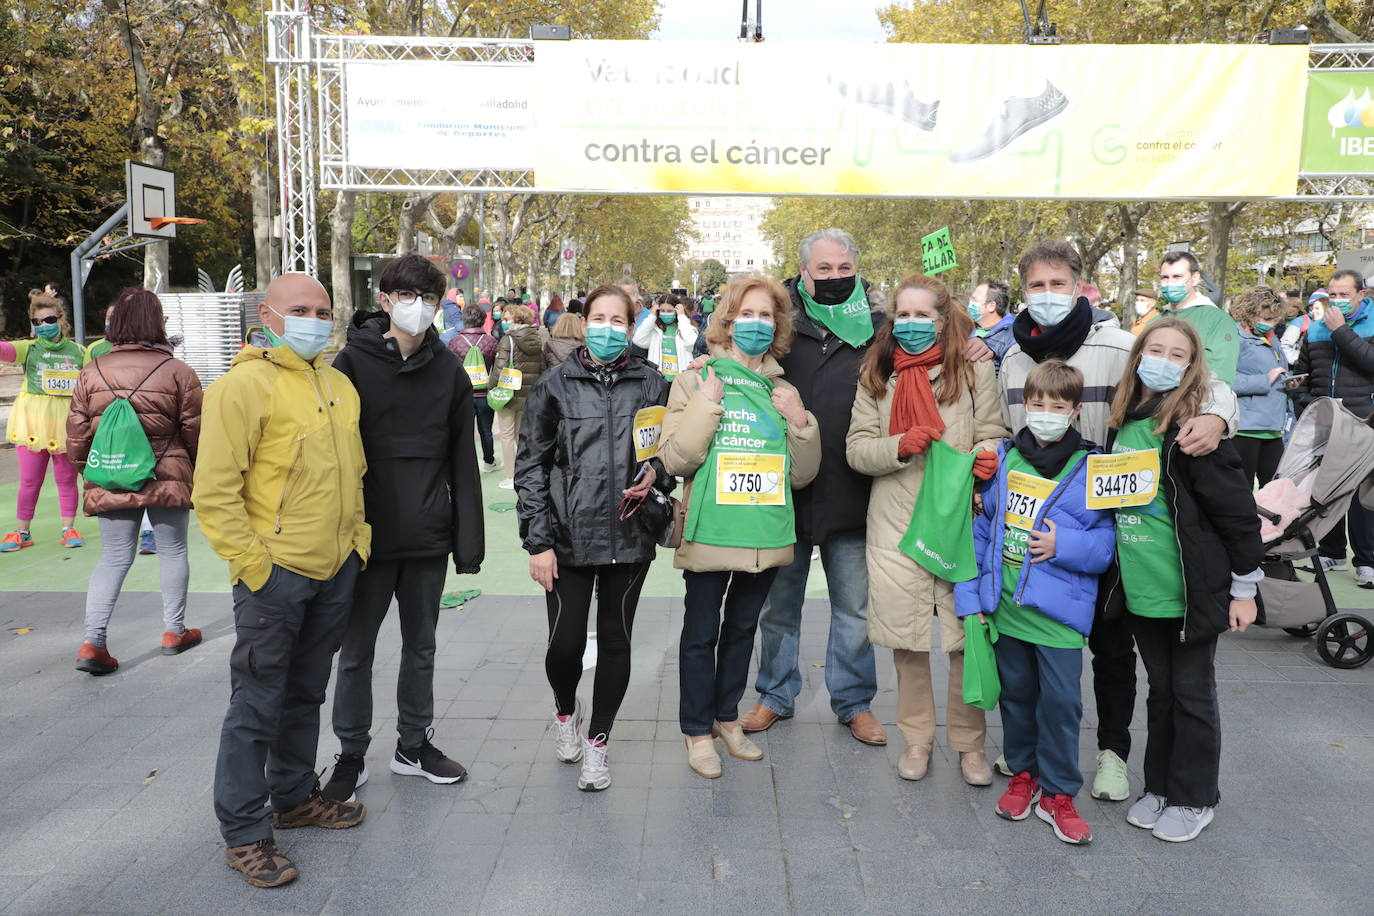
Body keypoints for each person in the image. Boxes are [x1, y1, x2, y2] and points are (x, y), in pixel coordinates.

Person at [999, 240, 1237, 804]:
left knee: (1111, 646)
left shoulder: (1119, 343)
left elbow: (1202, 382)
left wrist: (1219, 417)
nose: (1048, 296)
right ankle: (1027, 751)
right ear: (1023, 291)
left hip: (1115, 523)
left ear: (1080, 286)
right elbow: (1003, 431)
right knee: (1029, 641)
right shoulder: (1008, 357)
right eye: (1037, 286)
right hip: (1035, 524)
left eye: (1059, 284)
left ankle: (1112, 751)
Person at [193, 273, 370, 888]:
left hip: (334, 568)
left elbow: (354, 475)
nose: (314, 319)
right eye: (300, 309)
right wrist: (256, 568)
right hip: (276, 577)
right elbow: (214, 493)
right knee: (256, 704)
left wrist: (357, 545)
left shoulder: (339, 384)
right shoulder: (241, 387)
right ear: (267, 316)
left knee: (305, 694)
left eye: (323, 310)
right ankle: (244, 832)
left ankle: (294, 798)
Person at [322, 254, 484, 803]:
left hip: (427, 535)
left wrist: (469, 543)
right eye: (408, 296)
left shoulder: (449, 370)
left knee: (422, 646)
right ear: (385, 301)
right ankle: (350, 754)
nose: (419, 308)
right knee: (356, 651)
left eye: (429, 298)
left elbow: (463, 460)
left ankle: (413, 744)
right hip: (364, 538)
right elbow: (332, 457)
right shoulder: (348, 365)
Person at [1103, 318, 1263, 843]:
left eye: (1178, 354)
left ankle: (1195, 797)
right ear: (1137, 356)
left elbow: (1236, 511)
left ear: (1192, 366)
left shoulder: (1195, 430)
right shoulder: (1122, 420)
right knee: (1162, 691)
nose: (1165, 361)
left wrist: (1244, 588)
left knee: (1193, 693)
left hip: (1190, 590)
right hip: (1141, 588)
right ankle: (1161, 786)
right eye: (1155, 350)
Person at [658, 276, 821, 779]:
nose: (756, 324)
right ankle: (696, 731)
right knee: (700, 633)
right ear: (727, 322)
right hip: (712, 530)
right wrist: (707, 401)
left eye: (766, 316)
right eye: (745, 314)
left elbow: (801, 473)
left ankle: (728, 719)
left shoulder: (783, 389)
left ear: (777, 327)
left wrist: (800, 421)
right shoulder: (696, 378)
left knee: (742, 632)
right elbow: (675, 457)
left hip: (764, 533)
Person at [847, 274, 1006, 783]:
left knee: (965, 637)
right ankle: (916, 740)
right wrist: (899, 445)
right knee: (908, 642)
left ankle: (970, 744)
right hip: (896, 524)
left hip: (961, 519)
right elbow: (857, 449)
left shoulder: (974, 369)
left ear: (943, 319)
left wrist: (987, 458)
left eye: (924, 315)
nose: (912, 324)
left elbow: (993, 433)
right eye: (904, 315)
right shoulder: (876, 375)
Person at [515, 284, 672, 792]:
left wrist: (659, 476)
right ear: (585, 323)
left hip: (630, 535)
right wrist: (537, 542)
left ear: (632, 326)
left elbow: (668, 456)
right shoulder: (555, 385)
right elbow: (531, 467)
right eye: (599, 318)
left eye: (618, 320)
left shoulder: (652, 384)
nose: (608, 328)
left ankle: (598, 745)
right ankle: (567, 713)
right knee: (563, 646)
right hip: (566, 537)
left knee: (616, 641)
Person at [739, 228, 888, 747]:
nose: (834, 277)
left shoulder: (880, 328)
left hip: (855, 493)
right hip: (786, 494)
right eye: (823, 270)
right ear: (803, 271)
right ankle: (775, 694)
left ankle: (854, 702)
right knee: (778, 609)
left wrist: (976, 347)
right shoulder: (778, 323)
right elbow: (733, 356)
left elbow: (931, 353)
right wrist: (703, 360)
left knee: (855, 610)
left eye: (843, 268)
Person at [956, 360, 1115, 844]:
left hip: (1059, 616)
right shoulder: (1004, 458)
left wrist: (1062, 545)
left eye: (1058, 406)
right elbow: (981, 532)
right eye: (1037, 403)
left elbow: (1107, 544)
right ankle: (1023, 774)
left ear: (1074, 411)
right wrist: (972, 600)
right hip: (1005, 608)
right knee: (1018, 697)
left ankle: (1060, 792)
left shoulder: (1092, 465)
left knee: (1063, 704)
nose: (1045, 412)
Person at [64, 288, 203, 674]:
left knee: (112, 558)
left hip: (111, 473)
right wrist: (193, 468)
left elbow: (77, 434)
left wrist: (90, 472)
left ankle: (93, 643)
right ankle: (174, 631)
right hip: (167, 473)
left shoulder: (91, 371)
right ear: (158, 323)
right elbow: (194, 431)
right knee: (173, 552)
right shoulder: (178, 371)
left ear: (116, 324)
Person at [1290, 270, 1374, 586]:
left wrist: (1341, 331)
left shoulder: (1365, 323)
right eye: (1332, 295)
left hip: (1363, 420)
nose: (1337, 301)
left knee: (1361, 494)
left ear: (1361, 295)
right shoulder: (1315, 329)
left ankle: (1367, 561)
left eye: (1344, 295)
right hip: (1326, 419)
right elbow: (1303, 371)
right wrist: (1303, 399)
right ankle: (1332, 550)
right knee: (1325, 488)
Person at [0, 294, 86, 552]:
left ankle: (68, 528)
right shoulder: (30, 348)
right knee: (29, 480)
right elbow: (4, 350)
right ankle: (23, 531)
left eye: (49, 319)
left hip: (65, 426)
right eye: (37, 321)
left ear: (62, 320)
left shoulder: (79, 352)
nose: (43, 325)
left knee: (66, 480)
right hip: (32, 425)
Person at [1230, 286, 1290, 488]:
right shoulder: (1235, 339)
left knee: (1274, 491)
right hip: (1246, 428)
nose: (1270, 323)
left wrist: (1289, 382)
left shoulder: (1272, 338)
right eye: (1265, 318)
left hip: (1273, 428)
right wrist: (1265, 380)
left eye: (1274, 319)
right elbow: (1226, 380)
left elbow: (1276, 372)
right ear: (1250, 313)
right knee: (1241, 490)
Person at [1155, 251, 1238, 386]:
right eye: (1165, 277)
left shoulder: (1218, 320)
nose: (1170, 283)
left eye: (1177, 277)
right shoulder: (1155, 321)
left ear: (1195, 278)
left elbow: (1221, 379)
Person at [492, 303, 545, 490]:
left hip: (508, 393)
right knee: (521, 434)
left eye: (507, 319)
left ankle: (511, 475)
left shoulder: (508, 339)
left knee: (506, 435)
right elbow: (542, 367)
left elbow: (499, 368)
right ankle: (525, 471)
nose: (503, 323)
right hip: (528, 394)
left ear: (518, 320)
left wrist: (493, 389)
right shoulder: (536, 338)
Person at [447, 305, 500, 473]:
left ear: (464, 319)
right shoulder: (491, 341)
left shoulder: (455, 342)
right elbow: (496, 368)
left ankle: (466, 464)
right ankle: (489, 462)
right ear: (483, 319)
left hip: (463, 395)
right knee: (486, 430)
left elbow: (450, 369)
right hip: (485, 393)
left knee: (464, 431)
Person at [632, 294, 699, 381]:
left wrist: (682, 317)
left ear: (676, 310)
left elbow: (691, 342)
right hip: (659, 381)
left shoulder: (684, 328)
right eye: (662, 310)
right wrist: (651, 317)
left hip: (680, 381)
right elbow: (637, 340)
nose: (666, 313)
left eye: (669, 310)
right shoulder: (655, 330)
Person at [967, 278, 1016, 373]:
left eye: (974, 300)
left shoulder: (1012, 335)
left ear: (991, 306)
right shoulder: (967, 328)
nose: (970, 303)